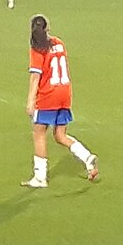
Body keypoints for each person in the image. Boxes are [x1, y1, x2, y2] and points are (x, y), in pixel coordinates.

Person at [22, 15, 99, 188]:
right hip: (64, 93)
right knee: (60, 135)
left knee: (39, 133)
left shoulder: (37, 49)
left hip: (48, 95)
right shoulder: (59, 43)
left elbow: (36, 76)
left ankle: (40, 177)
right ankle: (87, 157)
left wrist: (30, 100)